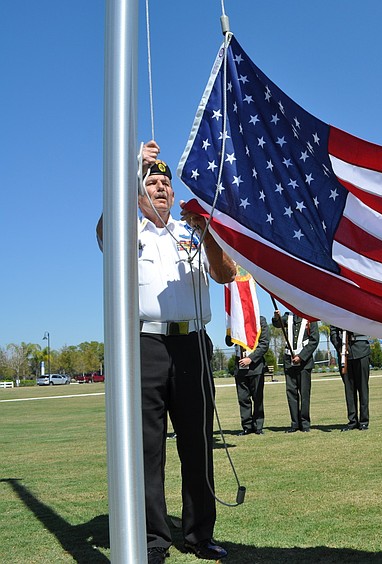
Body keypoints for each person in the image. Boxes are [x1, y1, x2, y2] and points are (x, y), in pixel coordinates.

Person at [97, 141, 236, 563]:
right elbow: (105, 232)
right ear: (137, 196)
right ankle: (153, 539)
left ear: (173, 195)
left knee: (198, 443)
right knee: (147, 448)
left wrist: (208, 233)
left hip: (192, 344)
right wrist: (129, 167)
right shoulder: (129, 231)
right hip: (147, 346)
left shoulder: (191, 232)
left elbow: (226, 273)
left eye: (164, 184)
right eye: (150, 184)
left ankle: (199, 534)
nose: (159, 189)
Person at [272, 309, 319, 432]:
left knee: (304, 394)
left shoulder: (310, 318)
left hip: (304, 363)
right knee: (291, 394)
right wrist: (276, 317)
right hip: (289, 362)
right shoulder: (288, 317)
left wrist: (301, 356)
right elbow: (277, 324)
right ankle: (294, 423)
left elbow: (314, 340)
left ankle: (305, 423)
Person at [227, 315, 269, 435]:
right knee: (243, 398)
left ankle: (258, 426)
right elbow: (228, 342)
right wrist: (230, 327)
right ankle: (247, 426)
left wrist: (250, 359)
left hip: (255, 367)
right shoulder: (235, 320)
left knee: (257, 398)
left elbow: (264, 343)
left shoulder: (260, 320)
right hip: (240, 367)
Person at [329, 327, 371, 431]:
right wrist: (340, 347)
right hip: (344, 353)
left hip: (361, 350)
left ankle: (364, 421)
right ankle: (352, 421)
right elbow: (333, 331)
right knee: (349, 389)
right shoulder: (337, 313)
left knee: (363, 388)